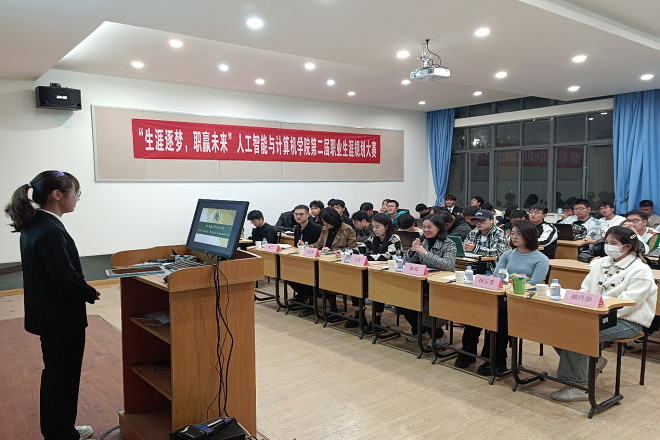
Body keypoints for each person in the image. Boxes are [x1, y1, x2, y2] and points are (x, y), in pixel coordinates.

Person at [4, 170, 99, 440]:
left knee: (55, 376)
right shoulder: (50, 230)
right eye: (75, 192)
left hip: (49, 316)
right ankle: (62, 434)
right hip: (61, 319)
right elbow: (65, 277)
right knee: (63, 379)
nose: (77, 198)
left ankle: (59, 431)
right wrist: (89, 292)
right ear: (57, 195)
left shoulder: (36, 224)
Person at [551, 226, 657, 402]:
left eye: (613, 243)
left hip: (627, 320)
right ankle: (593, 362)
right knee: (558, 327)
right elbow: (585, 289)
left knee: (579, 333)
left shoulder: (641, 270)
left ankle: (579, 386)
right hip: (595, 314)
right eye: (606, 242)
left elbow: (629, 304)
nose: (608, 246)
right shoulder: (599, 263)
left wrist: (597, 315)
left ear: (627, 246)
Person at [465, 220, 549, 375]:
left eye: (519, 234)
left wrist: (509, 278)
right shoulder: (507, 254)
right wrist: (519, 278)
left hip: (523, 301)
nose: (514, 237)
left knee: (501, 317)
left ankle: (497, 361)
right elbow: (497, 277)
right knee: (475, 311)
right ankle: (467, 352)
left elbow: (533, 285)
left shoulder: (541, 259)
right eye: (512, 233)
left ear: (529, 235)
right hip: (501, 297)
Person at [400, 215, 457, 347]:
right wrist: (412, 250)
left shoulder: (449, 243)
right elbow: (406, 262)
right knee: (403, 301)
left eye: (429, 227)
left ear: (439, 228)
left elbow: (448, 265)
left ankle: (438, 334)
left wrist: (425, 253)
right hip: (421, 280)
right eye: (424, 227)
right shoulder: (422, 241)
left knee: (426, 305)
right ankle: (420, 329)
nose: (425, 230)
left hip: (440, 283)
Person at [348, 213, 403, 331]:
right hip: (373, 271)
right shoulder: (373, 238)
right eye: (373, 227)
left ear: (386, 227)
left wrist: (365, 257)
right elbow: (360, 249)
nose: (374, 230)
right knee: (355, 282)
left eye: (378, 227)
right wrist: (347, 253)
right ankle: (359, 315)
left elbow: (388, 256)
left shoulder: (394, 239)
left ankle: (376, 320)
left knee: (377, 287)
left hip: (389, 274)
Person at [311, 209, 358, 314]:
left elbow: (353, 249)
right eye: (323, 222)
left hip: (340, 264)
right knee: (312, 276)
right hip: (325, 262)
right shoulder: (325, 229)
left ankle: (333, 308)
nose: (325, 224)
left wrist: (333, 251)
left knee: (325, 278)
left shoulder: (347, 229)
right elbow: (318, 245)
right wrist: (306, 248)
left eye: (327, 222)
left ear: (334, 220)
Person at [462, 209, 510, 274]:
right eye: (476, 221)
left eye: (482, 221)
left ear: (492, 221)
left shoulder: (498, 232)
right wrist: (465, 247)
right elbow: (466, 246)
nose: (478, 223)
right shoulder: (474, 232)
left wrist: (475, 248)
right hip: (476, 267)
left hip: (495, 269)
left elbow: (497, 253)